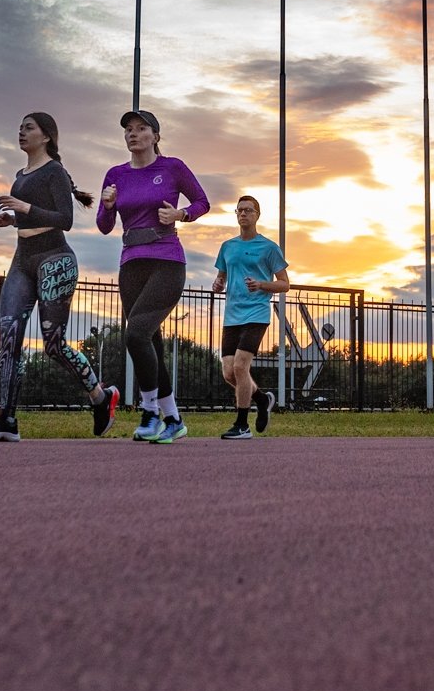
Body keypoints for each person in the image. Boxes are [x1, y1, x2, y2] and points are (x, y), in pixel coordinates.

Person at [0, 112, 118, 443]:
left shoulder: (53, 172)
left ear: (46, 137)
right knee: (8, 339)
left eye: (29, 128)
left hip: (55, 261)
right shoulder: (20, 174)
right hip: (21, 261)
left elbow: (65, 219)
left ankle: (101, 397)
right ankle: (6, 420)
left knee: (53, 345)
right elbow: (35, 216)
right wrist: (13, 221)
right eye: (20, 127)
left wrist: (23, 209)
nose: (21, 132)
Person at [96, 109, 209, 444]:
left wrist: (181, 213)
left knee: (136, 335)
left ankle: (150, 412)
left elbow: (202, 201)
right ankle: (173, 419)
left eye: (141, 128)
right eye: (128, 130)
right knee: (151, 343)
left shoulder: (171, 167)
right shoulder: (116, 174)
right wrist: (107, 205)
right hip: (131, 264)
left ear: (155, 136)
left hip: (167, 261)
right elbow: (104, 227)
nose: (133, 134)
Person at [211, 195, 289, 439]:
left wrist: (262, 285)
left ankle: (242, 425)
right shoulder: (228, 246)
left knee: (240, 367)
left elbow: (285, 284)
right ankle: (261, 398)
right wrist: (218, 283)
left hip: (256, 312)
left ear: (257, 215)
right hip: (232, 315)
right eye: (240, 210)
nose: (243, 214)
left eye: (248, 210)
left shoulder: (268, 247)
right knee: (228, 373)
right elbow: (222, 275)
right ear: (236, 214)